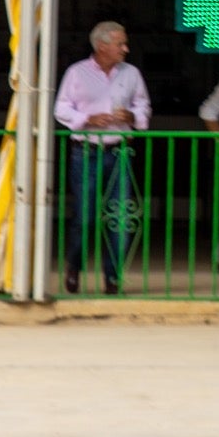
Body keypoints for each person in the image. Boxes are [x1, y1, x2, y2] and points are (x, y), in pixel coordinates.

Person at [53, 21, 150, 295]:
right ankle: (74, 268)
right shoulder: (77, 72)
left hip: (119, 152)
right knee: (84, 217)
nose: (125, 49)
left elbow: (143, 105)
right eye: (120, 44)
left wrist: (132, 117)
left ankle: (113, 276)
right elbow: (61, 108)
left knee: (120, 217)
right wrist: (87, 119)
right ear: (102, 46)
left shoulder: (131, 73)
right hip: (85, 152)